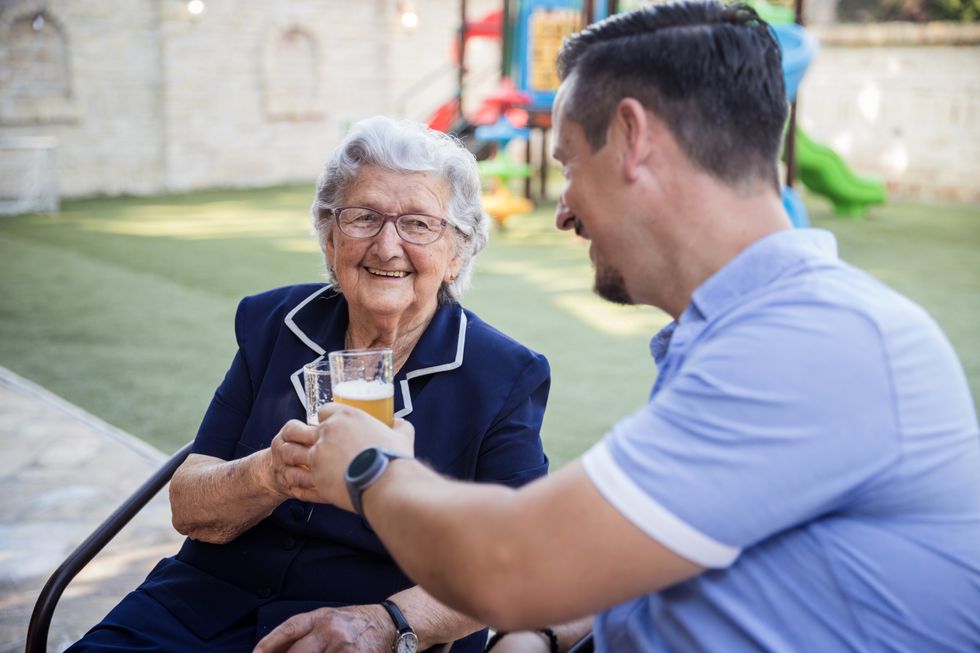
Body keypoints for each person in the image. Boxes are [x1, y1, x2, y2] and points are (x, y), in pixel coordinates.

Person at [257, 2, 980, 652]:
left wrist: (369, 464)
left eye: (569, 165)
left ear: (632, 139)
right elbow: (647, 557)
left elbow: (510, 563)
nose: (564, 211)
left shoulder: (818, 343)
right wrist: (542, 634)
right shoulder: (748, 331)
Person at [67, 116, 551, 653]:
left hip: (364, 628)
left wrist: (389, 623)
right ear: (329, 233)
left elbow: (513, 561)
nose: (387, 246)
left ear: (457, 249)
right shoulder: (276, 323)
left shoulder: (502, 373)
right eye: (363, 217)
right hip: (200, 609)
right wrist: (271, 473)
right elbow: (189, 505)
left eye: (418, 224)